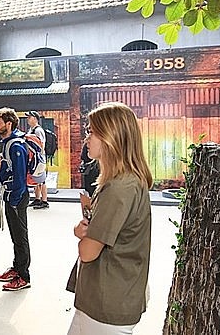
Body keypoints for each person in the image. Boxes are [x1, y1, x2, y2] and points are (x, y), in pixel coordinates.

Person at [68, 102, 153, 335]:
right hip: (106, 298)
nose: (87, 138)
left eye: (91, 132)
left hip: (108, 303)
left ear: (110, 137)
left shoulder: (119, 188)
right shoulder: (127, 181)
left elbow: (88, 252)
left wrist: (81, 235)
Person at [0, 107, 31, 291]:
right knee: (15, 236)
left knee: (20, 237)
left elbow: (19, 175)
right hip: (11, 196)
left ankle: (24, 276)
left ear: (9, 124)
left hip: (16, 197)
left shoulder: (16, 146)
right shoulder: (8, 143)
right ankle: (17, 268)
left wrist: (15, 199)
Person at [25, 110, 49, 209]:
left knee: (41, 180)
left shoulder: (38, 130)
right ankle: (37, 199)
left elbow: (41, 145)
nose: (27, 119)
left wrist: (39, 158)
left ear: (35, 118)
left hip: (39, 158)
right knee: (36, 179)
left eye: (29, 117)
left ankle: (44, 201)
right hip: (34, 158)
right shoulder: (31, 130)